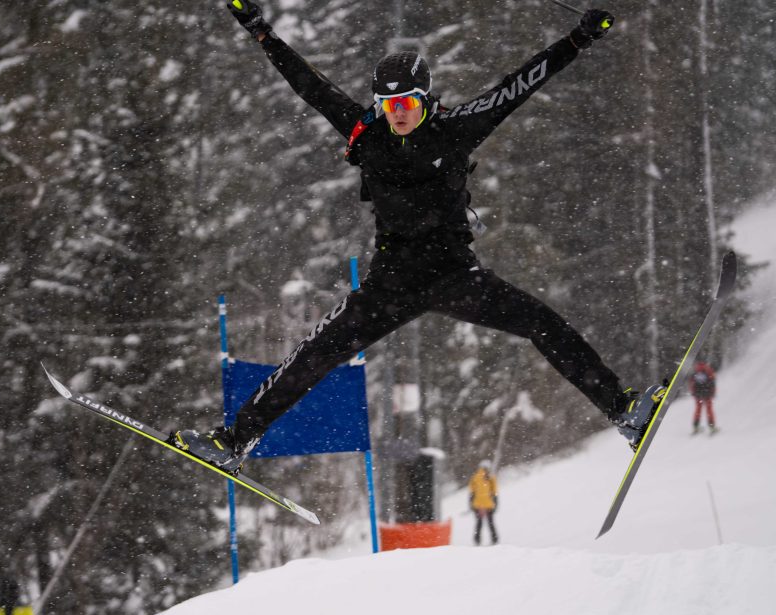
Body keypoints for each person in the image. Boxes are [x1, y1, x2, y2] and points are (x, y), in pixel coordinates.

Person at [174, 0, 664, 472]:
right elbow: (309, 84)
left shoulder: (456, 128)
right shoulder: (365, 132)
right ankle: (233, 442)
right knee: (314, 354)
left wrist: (578, 38)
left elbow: (519, 86)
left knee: (543, 324)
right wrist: (261, 30)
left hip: (455, 274)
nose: (398, 112)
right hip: (390, 281)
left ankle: (625, 413)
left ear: (426, 98)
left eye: (406, 102)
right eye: (388, 104)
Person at [469, 460, 499, 545]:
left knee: (479, 523)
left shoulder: (475, 477)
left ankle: (477, 540)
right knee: (491, 523)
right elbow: (495, 492)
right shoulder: (491, 477)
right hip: (489, 505)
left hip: (478, 505)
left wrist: (471, 505)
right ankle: (494, 540)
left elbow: (472, 492)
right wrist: (495, 504)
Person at [689, 360, 717, 434]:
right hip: (707, 393)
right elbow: (712, 381)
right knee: (709, 409)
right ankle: (712, 426)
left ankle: (696, 426)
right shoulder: (708, 370)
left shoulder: (695, 371)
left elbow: (692, 383)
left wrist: (693, 392)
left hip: (698, 394)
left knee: (698, 409)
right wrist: (713, 392)